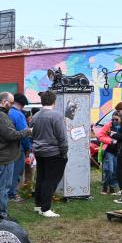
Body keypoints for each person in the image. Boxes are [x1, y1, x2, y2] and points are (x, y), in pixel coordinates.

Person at [31, 90, 68, 218]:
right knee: (50, 180)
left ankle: (38, 205)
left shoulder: (35, 116)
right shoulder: (56, 115)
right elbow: (62, 137)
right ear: (54, 101)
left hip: (39, 151)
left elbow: (32, 134)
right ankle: (46, 208)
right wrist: (64, 152)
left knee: (41, 178)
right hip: (54, 152)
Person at [7, 93, 31, 203]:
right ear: (21, 104)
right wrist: (28, 147)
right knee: (16, 172)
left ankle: (6, 192)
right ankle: (12, 194)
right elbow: (24, 133)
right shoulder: (19, 115)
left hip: (5, 148)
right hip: (18, 148)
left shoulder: (6, 112)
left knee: (7, 172)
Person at [97, 112, 121, 195]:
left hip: (118, 151)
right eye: (113, 119)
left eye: (116, 119)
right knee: (109, 170)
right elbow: (100, 136)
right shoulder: (108, 125)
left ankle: (112, 188)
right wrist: (110, 141)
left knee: (115, 171)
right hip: (109, 150)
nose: (114, 121)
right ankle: (105, 186)